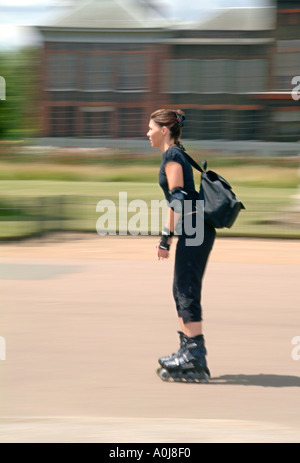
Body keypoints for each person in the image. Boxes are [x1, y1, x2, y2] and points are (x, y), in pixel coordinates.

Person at [147, 109, 216, 383]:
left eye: (150, 127)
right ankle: (188, 349)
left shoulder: (173, 155)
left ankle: (195, 357)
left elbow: (178, 198)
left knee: (186, 289)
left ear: (164, 129)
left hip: (195, 228)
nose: (147, 132)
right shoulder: (175, 154)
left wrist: (165, 238)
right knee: (181, 289)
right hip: (194, 227)